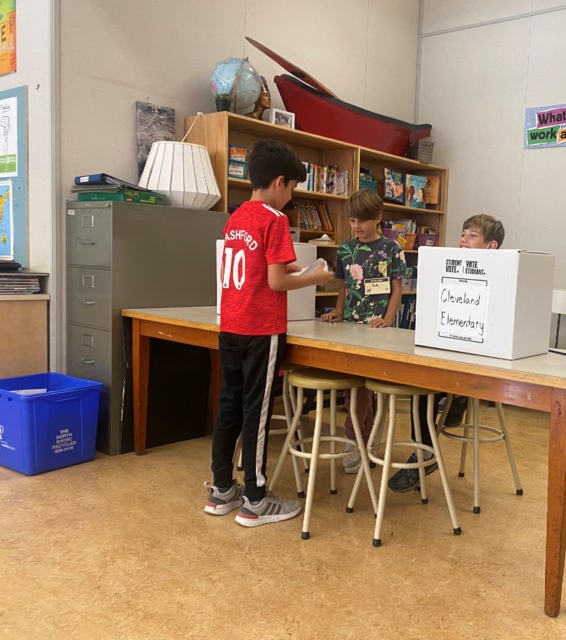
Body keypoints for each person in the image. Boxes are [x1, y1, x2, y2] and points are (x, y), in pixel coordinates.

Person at [205, 139, 333, 528]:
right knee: (257, 411)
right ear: (280, 182)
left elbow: (259, 268)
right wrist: (314, 277)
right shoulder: (275, 220)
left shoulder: (237, 216)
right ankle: (256, 498)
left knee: (229, 404)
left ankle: (222, 488)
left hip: (231, 325)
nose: (291, 196)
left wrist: (290, 271)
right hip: (262, 329)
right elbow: (276, 283)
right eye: (293, 188)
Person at [387, 213, 505, 493]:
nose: (463, 239)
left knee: (432, 388)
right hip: (447, 349)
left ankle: (456, 400)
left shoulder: (502, 276)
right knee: (419, 390)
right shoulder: (448, 267)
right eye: (462, 233)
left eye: (472, 235)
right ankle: (425, 453)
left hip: (480, 357)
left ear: (491, 247)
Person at [319, 189, 409, 473]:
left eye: (362, 221)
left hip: (377, 328)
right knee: (355, 388)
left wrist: (388, 319)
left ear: (378, 219)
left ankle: (352, 438)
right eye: (352, 220)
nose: (356, 226)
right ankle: (361, 441)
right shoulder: (345, 249)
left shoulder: (392, 249)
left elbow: (398, 290)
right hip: (349, 327)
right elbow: (344, 287)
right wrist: (337, 311)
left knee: (362, 390)